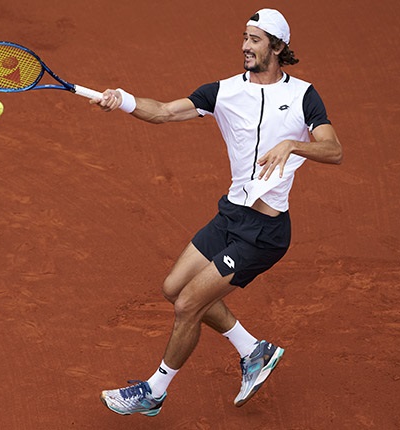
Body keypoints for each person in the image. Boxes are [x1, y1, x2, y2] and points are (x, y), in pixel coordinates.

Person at [92, 8, 343, 416]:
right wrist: (122, 101)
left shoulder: (303, 96)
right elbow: (165, 111)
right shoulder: (224, 91)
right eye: (244, 37)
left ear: (277, 48)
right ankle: (253, 351)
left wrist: (293, 145)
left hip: (264, 231)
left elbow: (334, 150)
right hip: (230, 214)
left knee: (188, 304)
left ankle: (154, 391)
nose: (245, 46)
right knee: (173, 287)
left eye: (255, 40)